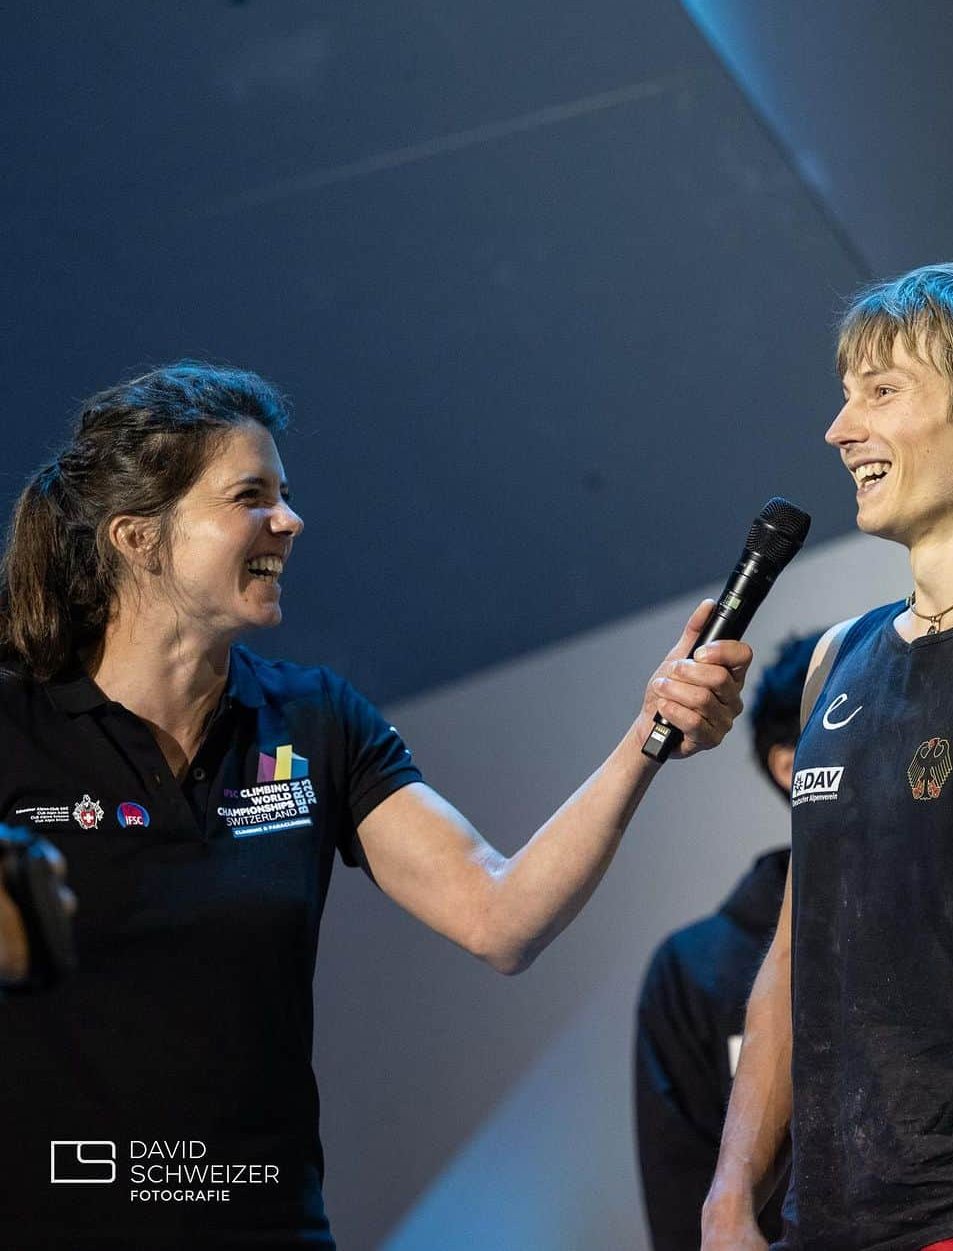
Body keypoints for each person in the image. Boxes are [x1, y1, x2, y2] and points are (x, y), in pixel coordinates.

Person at [0, 362, 752, 1251]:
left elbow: (500, 915)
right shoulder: (16, 727)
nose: (289, 520)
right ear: (136, 536)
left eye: (285, 493)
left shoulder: (314, 718)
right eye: (250, 496)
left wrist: (649, 735)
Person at [701, 260, 953, 1251]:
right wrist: (731, 1191)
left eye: (883, 391)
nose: (840, 428)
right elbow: (797, 951)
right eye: (844, 395)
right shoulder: (839, 658)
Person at [635, 631, 821, 1250]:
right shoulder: (694, 971)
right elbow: (680, 1187)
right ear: (791, 765)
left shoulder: (942, 911)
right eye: (848, 724)